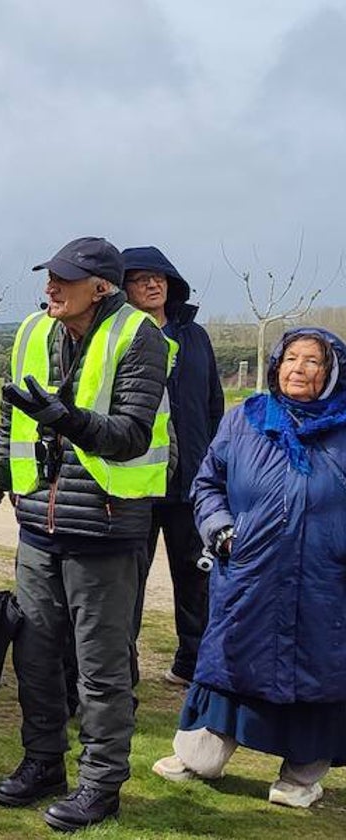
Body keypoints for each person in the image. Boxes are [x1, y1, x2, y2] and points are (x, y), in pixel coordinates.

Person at [0, 237, 168, 831]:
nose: (50, 288)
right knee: (36, 657)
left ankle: (101, 785)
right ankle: (43, 763)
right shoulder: (30, 333)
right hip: (38, 532)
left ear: (101, 287)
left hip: (106, 527)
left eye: (64, 280)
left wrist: (67, 419)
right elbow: (8, 437)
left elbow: (131, 435)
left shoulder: (139, 336)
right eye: (48, 277)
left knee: (101, 671)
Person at [153, 328, 346, 808]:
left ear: (332, 372)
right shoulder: (245, 419)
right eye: (291, 359)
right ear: (275, 365)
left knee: (316, 675)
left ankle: (301, 777)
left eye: (312, 362)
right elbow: (207, 483)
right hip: (248, 571)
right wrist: (219, 528)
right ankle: (199, 756)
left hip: (326, 580)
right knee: (229, 662)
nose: (298, 369)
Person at [121, 246, 222, 688]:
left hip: (190, 479)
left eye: (160, 277)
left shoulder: (195, 336)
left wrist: (218, 464)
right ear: (123, 287)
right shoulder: (118, 334)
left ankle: (192, 662)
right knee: (128, 578)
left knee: (195, 574)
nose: (153, 283)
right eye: (141, 278)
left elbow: (213, 402)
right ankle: (123, 665)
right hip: (137, 478)